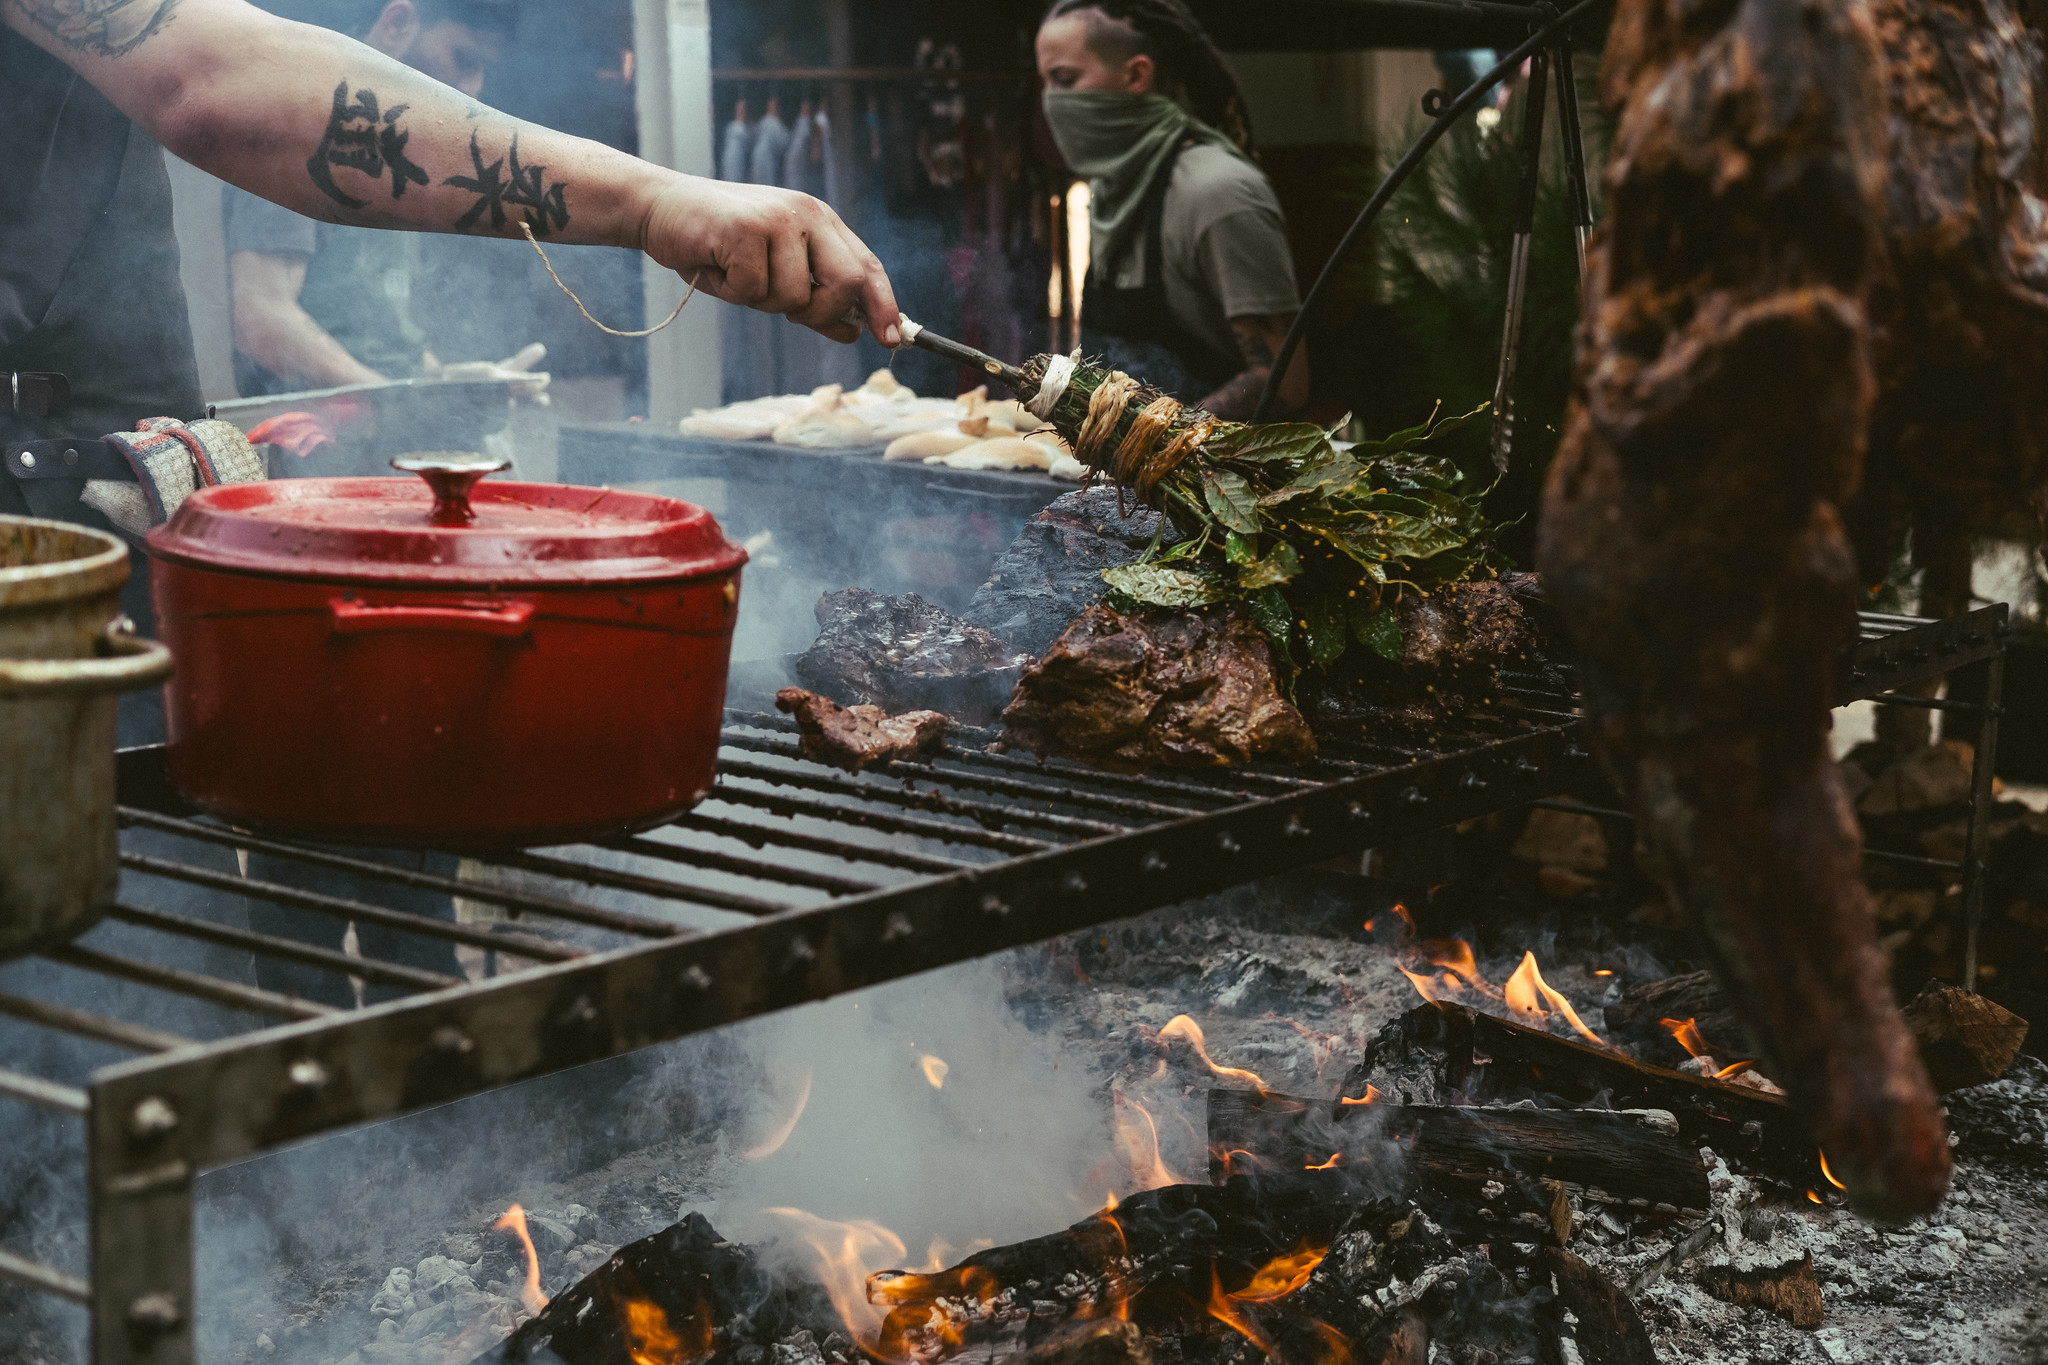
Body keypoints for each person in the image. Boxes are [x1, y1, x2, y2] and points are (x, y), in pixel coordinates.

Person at [224, 0, 521, 394]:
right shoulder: (296, 125)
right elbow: (263, 321)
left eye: (484, 69)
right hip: (317, 439)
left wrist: (454, 383)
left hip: (384, 428)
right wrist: (403, 404)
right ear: (397, 24)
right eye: (464, 59)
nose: (474, 88)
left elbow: (379, 329)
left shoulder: (397, 151)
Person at [1036, 0, 1309, 418]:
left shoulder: (1217, 193)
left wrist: (1159, 437)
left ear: (1136, 74)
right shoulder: (1114, 190)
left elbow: (1284, 382)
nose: (1051, 102)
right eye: (1046, 83)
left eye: (1065, 79)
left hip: (1229, 475)